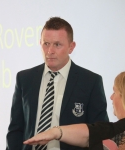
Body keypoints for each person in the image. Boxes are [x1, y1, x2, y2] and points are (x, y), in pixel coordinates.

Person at [6, 17, 109, 150]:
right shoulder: (25, 78)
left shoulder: (90, 82)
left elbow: (99, 132)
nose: (50, 51)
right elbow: (15, 129)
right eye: (46, 44)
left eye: (57, 44)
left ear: (71, 47)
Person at [24, 71, 125, 150]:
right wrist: (55, 132)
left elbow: (89, 134)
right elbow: (89, 134)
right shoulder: (112, 130)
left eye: (114, 92)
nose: (111, 97)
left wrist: (55, 132)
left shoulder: (114, 130)